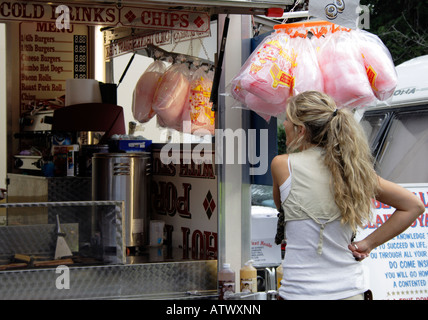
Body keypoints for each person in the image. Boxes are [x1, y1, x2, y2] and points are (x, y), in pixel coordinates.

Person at [271, 91, 424, 300]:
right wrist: (367, 244)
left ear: (301, 129)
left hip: (300, 293)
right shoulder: (351, 169)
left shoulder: (282, 165)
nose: (284, 125)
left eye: (287, 120)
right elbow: (414, 206)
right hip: (350, 291)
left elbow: (282, 207)